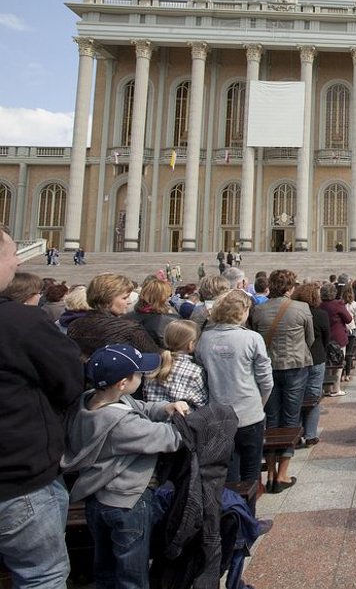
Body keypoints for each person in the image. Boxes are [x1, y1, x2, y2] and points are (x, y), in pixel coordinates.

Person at [0, 224, 85, 589]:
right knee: (42, 577)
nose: (17, 259)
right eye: (11, 253)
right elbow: (69, 383)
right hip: (19, 480)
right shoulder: (21, 322)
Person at [61, 344, 187, 589]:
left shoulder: (90, 403)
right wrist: (193, 424)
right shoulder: (120, 423)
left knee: (105, 567)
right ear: (122, 382)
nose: (142, 377)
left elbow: (140, 408)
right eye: (139, 374)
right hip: (128, 504)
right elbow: (169, 438)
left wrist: (166, 407)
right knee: (132, 574)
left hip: (97, 500)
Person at [198, 290, 273, 484]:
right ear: (242, 311)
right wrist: (260, 402)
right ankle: (247, 512)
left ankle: (232, 512)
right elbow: (266, 379)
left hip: (219, 411)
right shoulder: (252, 338)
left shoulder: (204, 339)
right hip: (249, 411)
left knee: (228, 471)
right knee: (251, 469)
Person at [250, 269, 313, 492]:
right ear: (289, 288)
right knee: (291, 416)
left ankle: (271, 473)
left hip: (268, 368)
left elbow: (254, 337)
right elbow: (310, 338)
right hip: (295, 366)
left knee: (271, 418)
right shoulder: (301, 308)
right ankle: (283, 473)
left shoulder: (258, 310)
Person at [67, 273, 160, 359]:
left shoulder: (74, 325)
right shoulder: (130, 329)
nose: (129, 301)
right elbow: (155, 357)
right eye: (125, 298)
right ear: (107, 300)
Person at [293, 283, 332, 444]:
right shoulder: (320, 314)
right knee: (313, 396)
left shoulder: (294, 313)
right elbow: (326, 338)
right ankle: (310, 434)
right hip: (316, 357)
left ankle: (296, 430)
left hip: (297, 358)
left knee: (296, 395)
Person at [142, 319, 207, 408]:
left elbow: (145, 396)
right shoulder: (195, 371)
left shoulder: (152, 364)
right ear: (191, 344)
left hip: (152, 416)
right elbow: (201, 403)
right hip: (181, 420)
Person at [125, 277, 180, 349]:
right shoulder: (168, 320)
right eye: (167, 296)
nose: (169, 299)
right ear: (161, 298)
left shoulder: (128, 316)